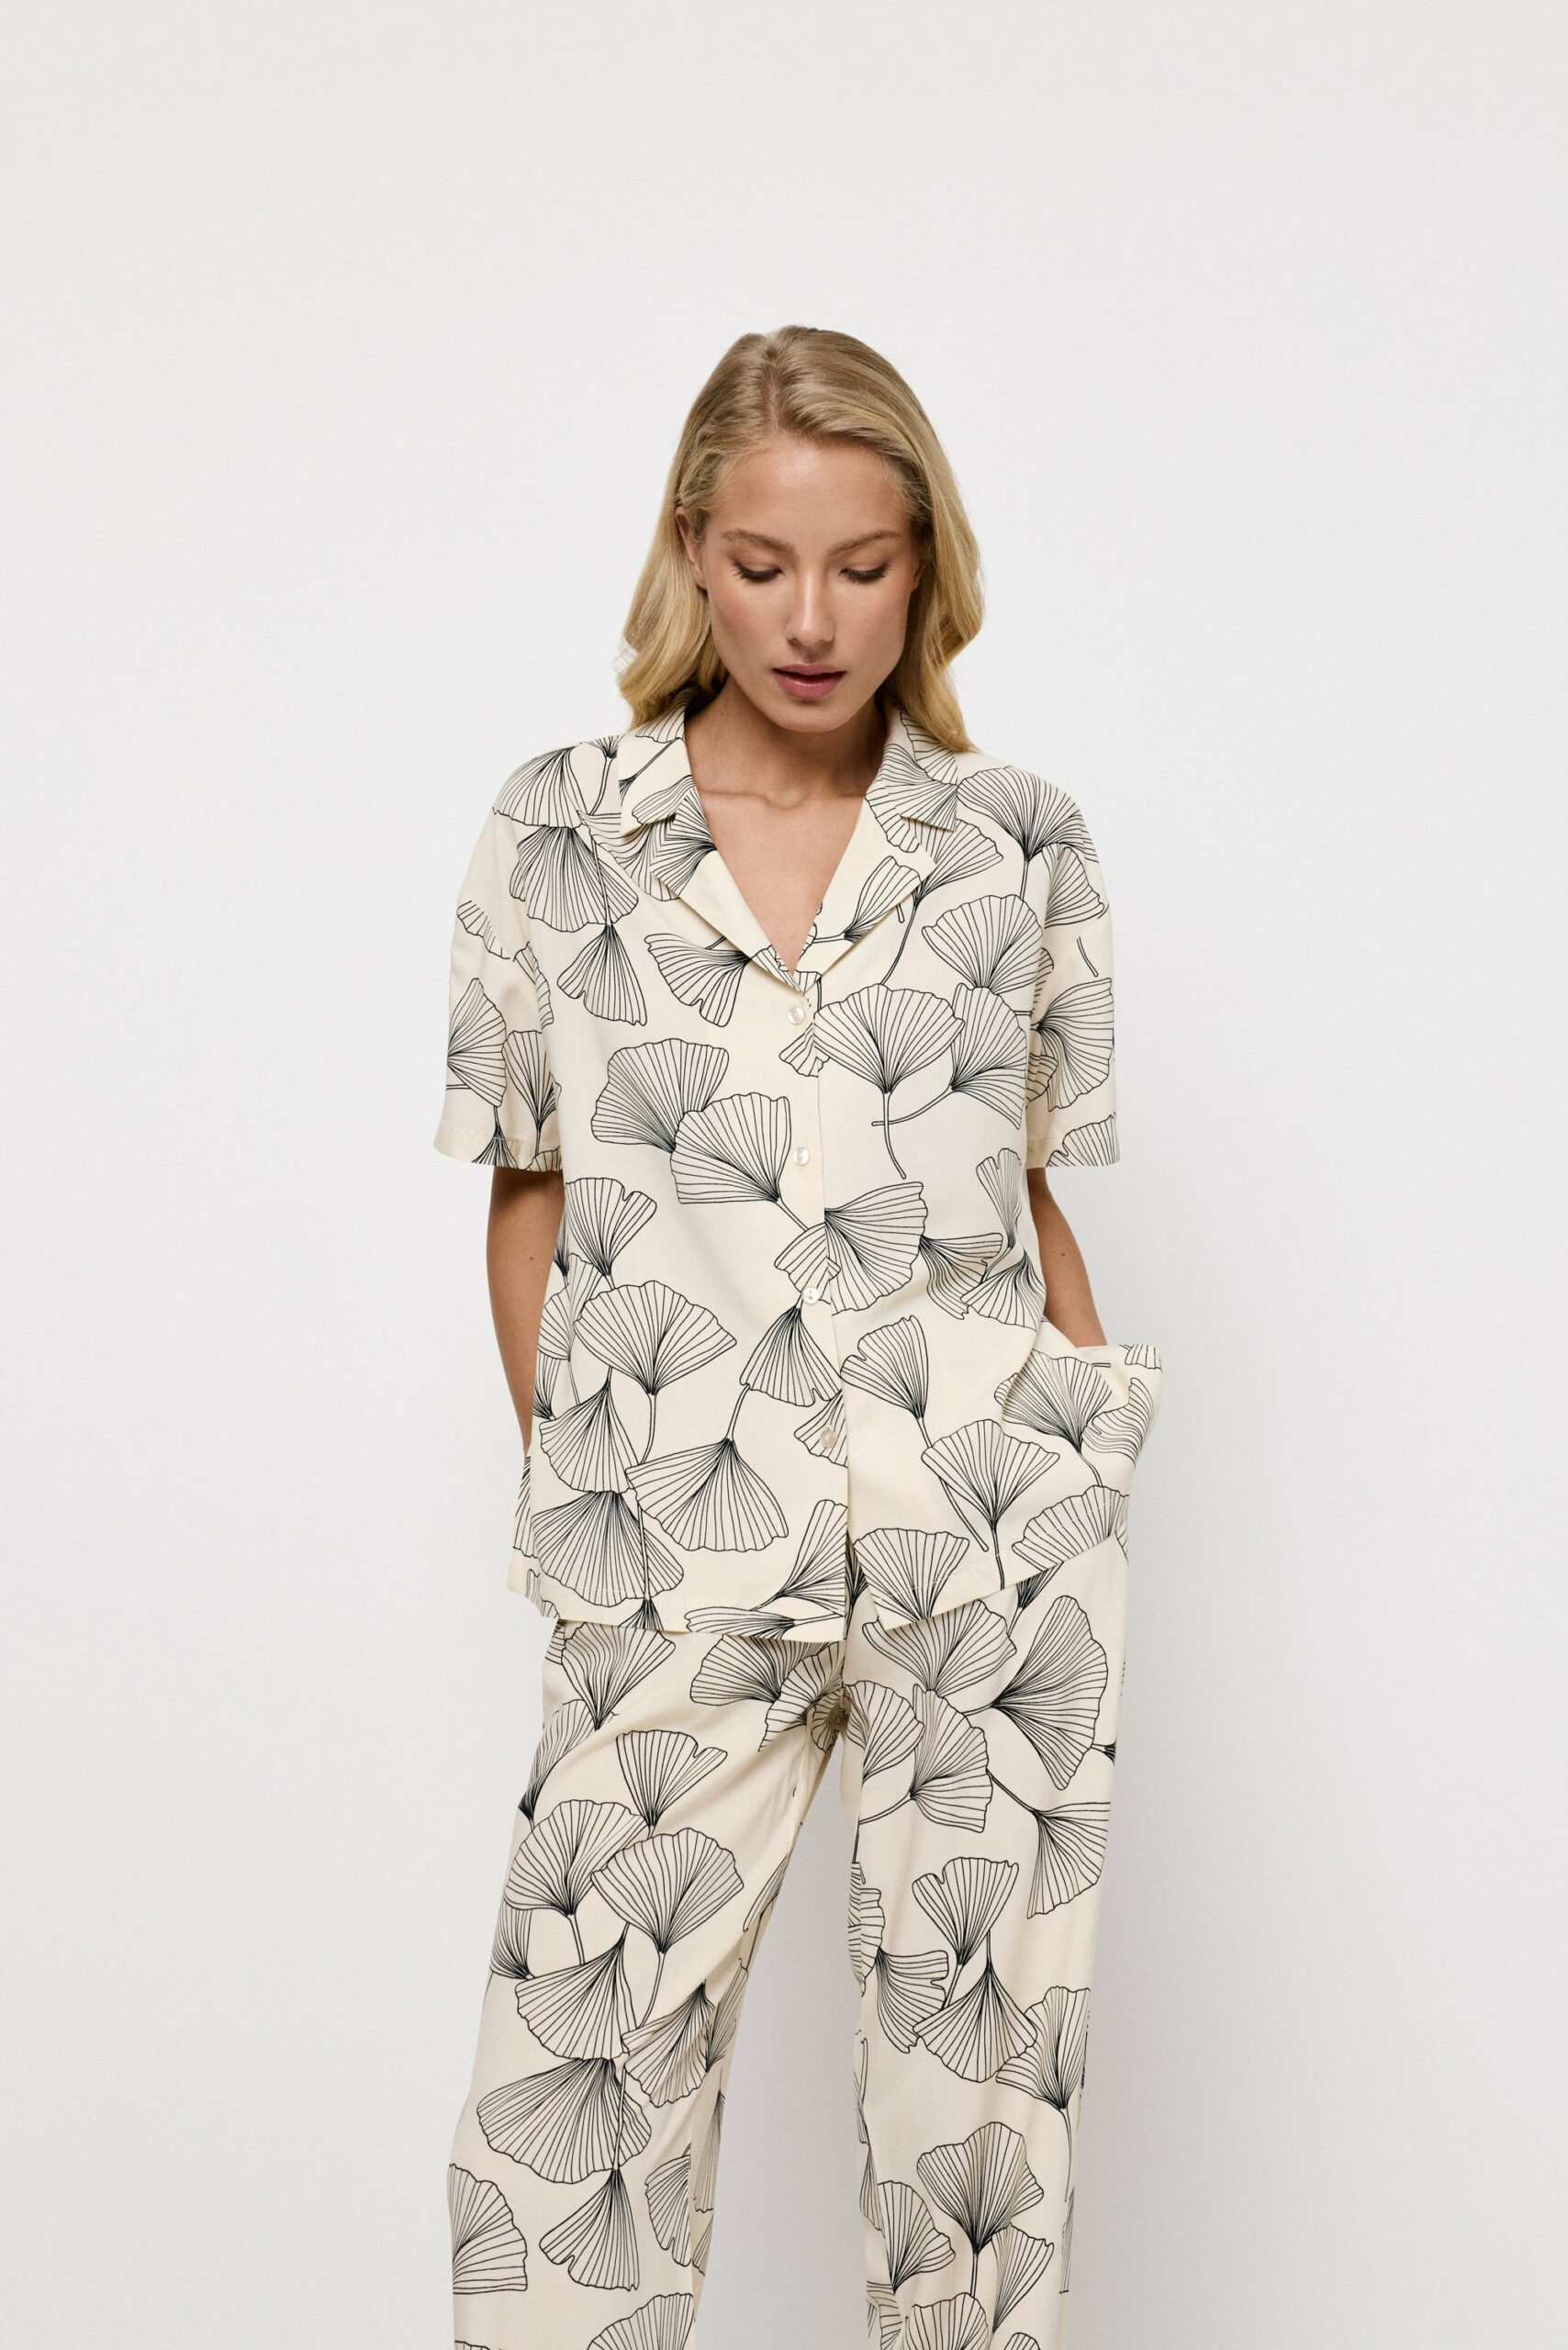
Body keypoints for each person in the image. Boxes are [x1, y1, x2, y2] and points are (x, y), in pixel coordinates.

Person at [432, 324, 1165, 2350]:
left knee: (976, 2145)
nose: (812, 619)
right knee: (562, 2125)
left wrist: (1084, 1462)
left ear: (927, 565)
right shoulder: (559, 829)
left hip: (987, 1523)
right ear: (693, 551)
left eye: (862, 563)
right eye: (762, 565)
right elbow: (529, 1191)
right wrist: (592, 1501)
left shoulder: (1019, 839)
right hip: (674, 1537)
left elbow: (1026, 1191)